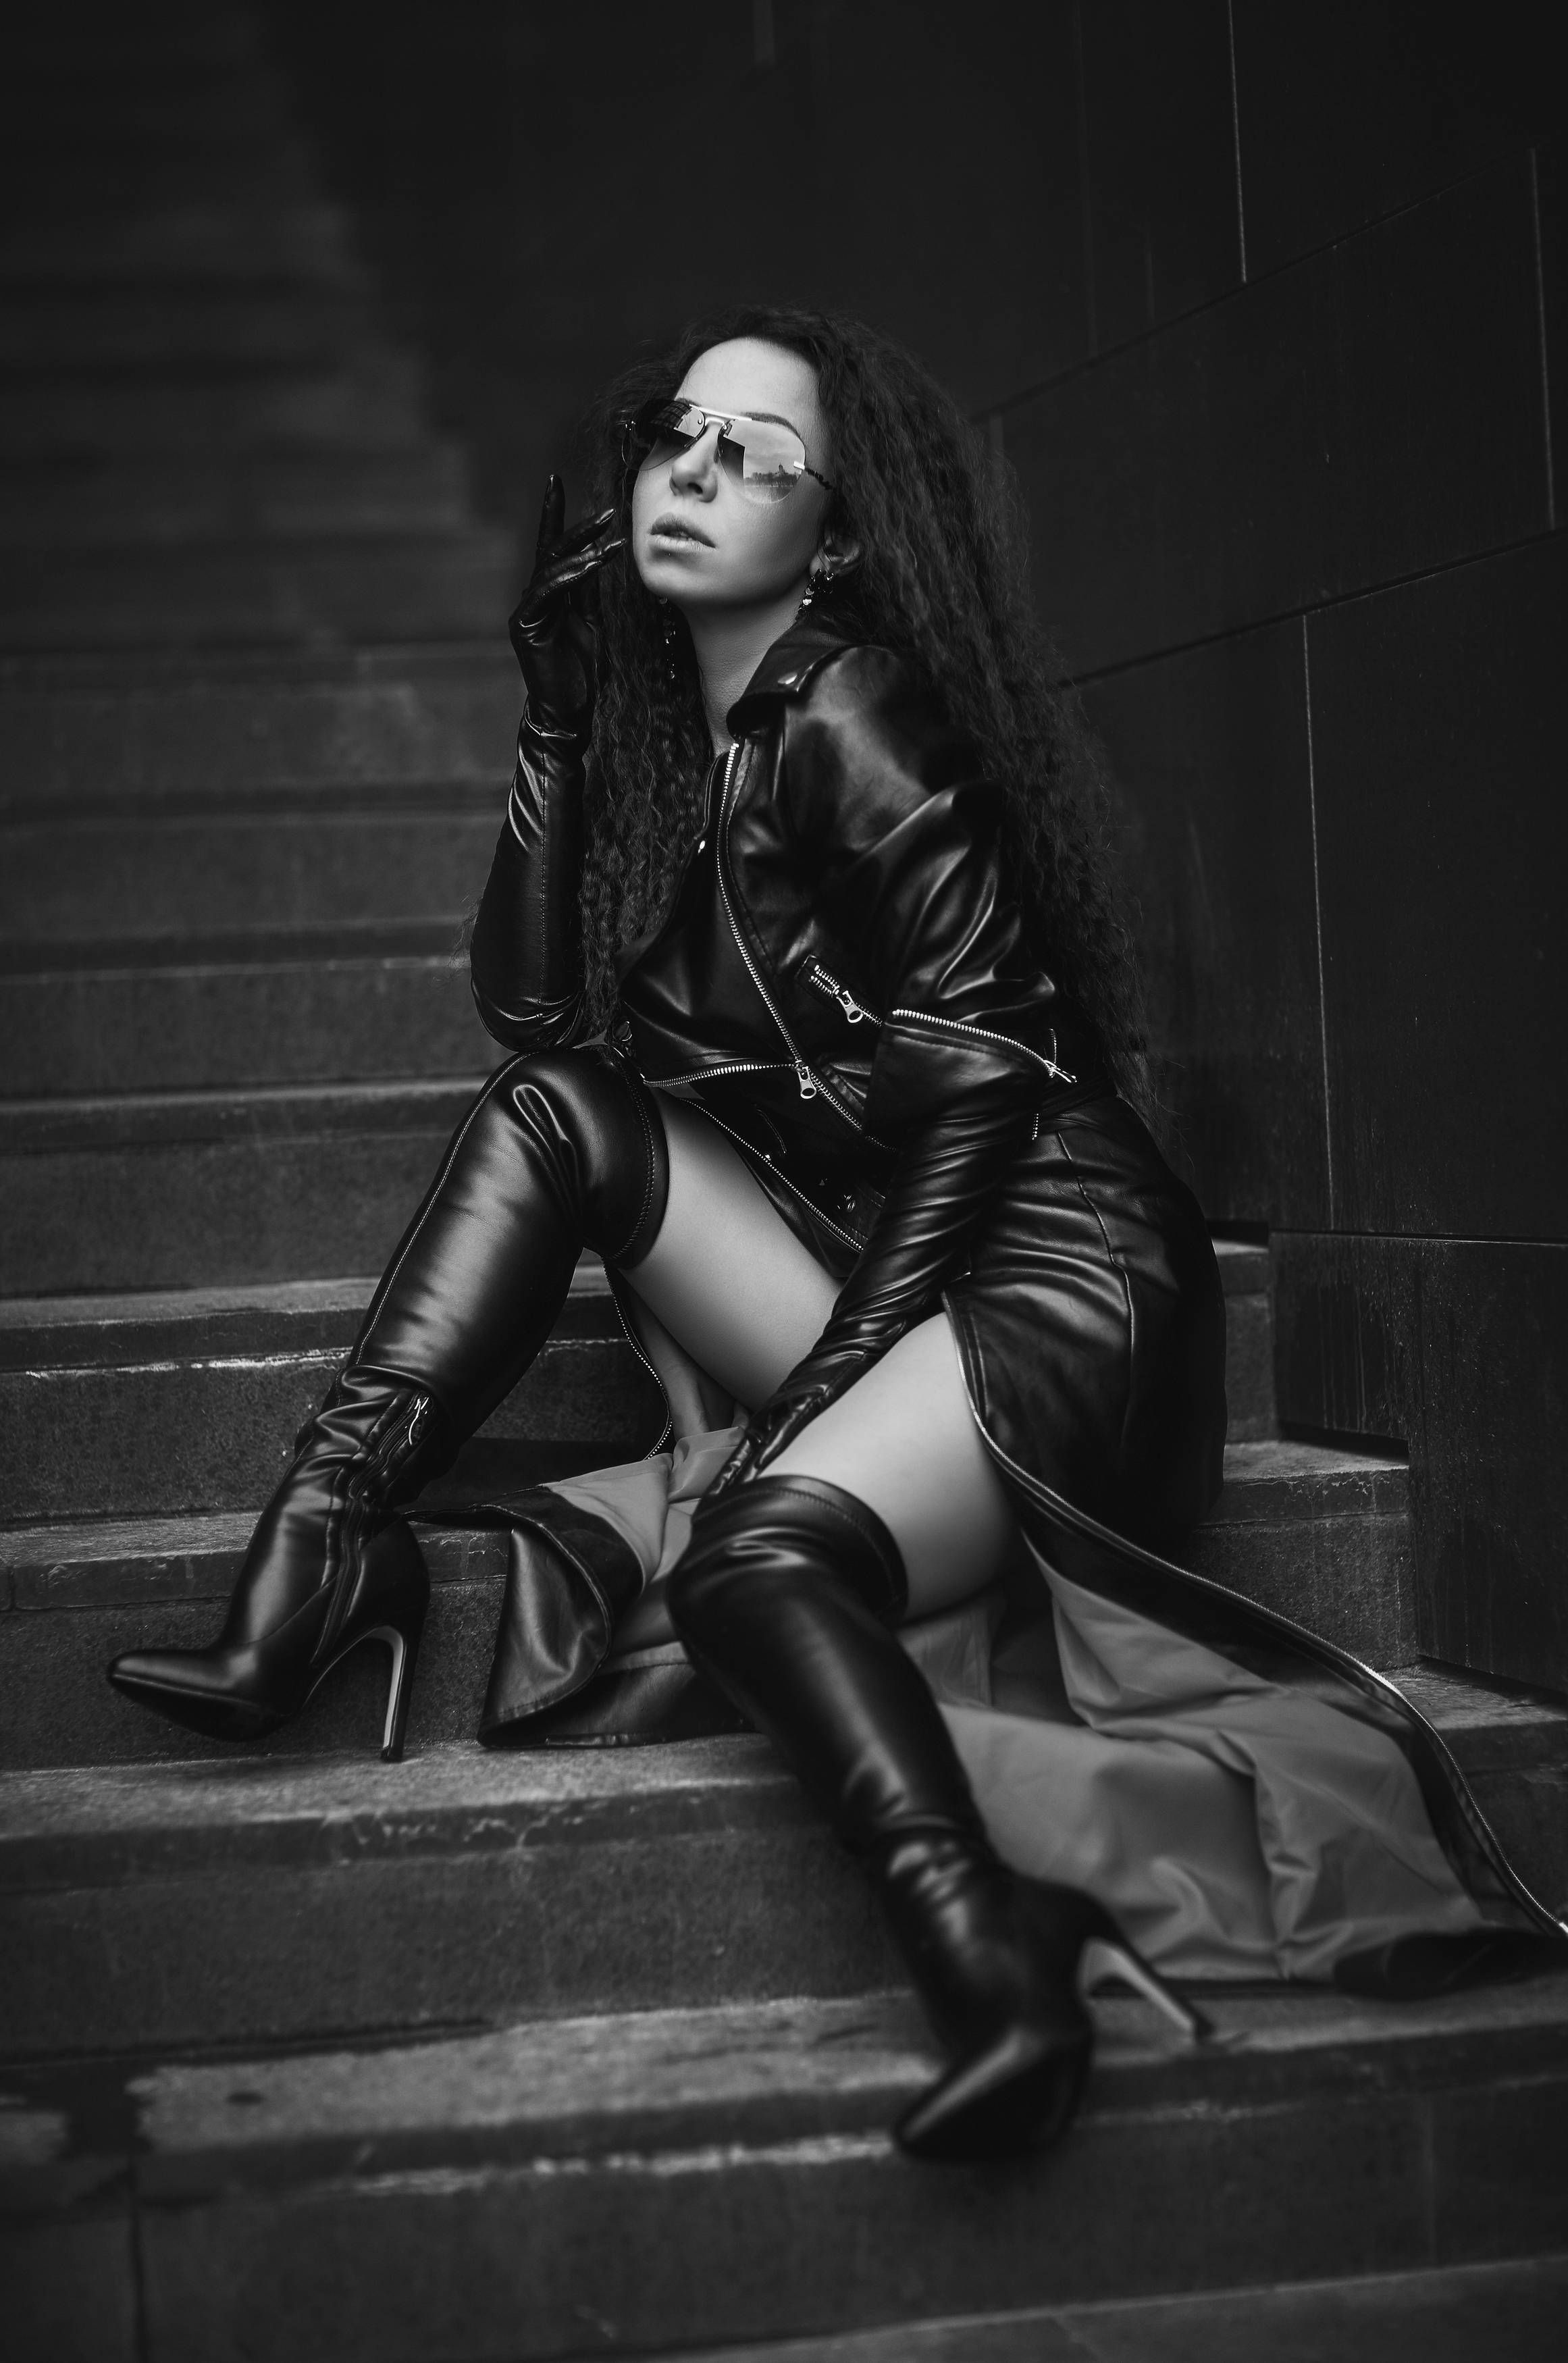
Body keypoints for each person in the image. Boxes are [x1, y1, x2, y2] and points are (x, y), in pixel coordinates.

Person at [108, 306, 1563, 2162]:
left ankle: (994, 1960)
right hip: (895, 1267)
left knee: (751, 1563)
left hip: (1056, 1273)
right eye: (676, 435)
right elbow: (540, 1023)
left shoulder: (847, 704)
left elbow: (987, 1076)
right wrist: (554, 717)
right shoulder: (682, 753)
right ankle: (319, 1552)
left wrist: (825, 1390)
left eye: (756, 455)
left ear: (839, 530)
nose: (696, 473)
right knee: (551, 1113)